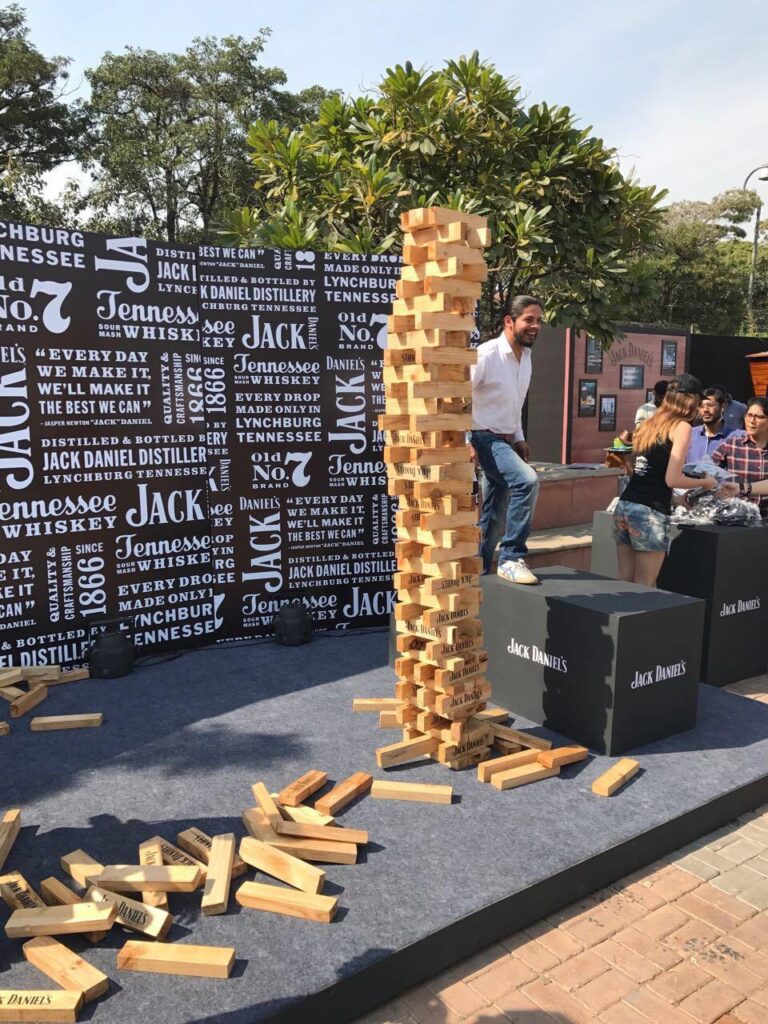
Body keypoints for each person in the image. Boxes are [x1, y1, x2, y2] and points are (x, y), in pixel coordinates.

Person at [613, 374, 719, 587]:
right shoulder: (682, 427)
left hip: (625, 506)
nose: (700, 408)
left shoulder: (649, 423)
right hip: (649, 513)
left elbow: (642, 472)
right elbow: (672, 479)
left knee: (625, 581)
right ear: (690, 400)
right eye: (699, 403)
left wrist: (675, 500)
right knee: (645, 584)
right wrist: (706, 482)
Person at [468, 294, 543, 584]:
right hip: (483, 437)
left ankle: (478, 576)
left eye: (538, 320)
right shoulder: (486, 354)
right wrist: (464, 440)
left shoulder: (527, 358)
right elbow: (459, 398)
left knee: (493, 517)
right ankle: (511, 557)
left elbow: (516, 403)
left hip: (505, 439)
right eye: (529, 319)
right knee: (527, 481)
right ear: (509, 321)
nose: (535, 326)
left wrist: (519, 437)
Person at [712, 396, 768, 520]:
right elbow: (706, 469)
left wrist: (742, 488)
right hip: (738, 519)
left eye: (759, 417)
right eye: (749, 415)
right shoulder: (731, 445)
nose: (752, 421)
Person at [685, 387, 734, 463]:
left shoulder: (735, 437)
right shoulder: (690, 435)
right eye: (701, 406)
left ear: (722, 406)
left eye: (710, 405)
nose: (705, 410)